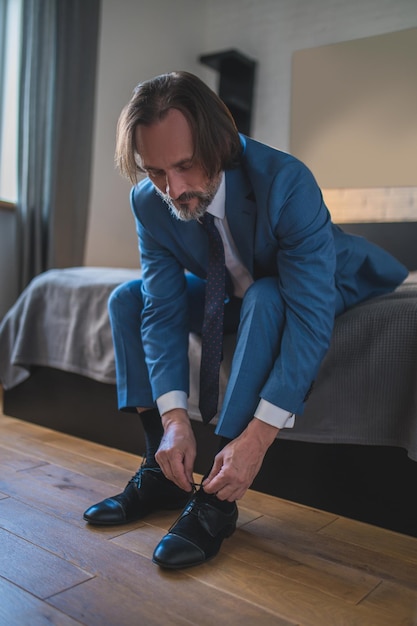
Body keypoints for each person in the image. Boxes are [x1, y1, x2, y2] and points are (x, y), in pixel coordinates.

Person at [83, 71, 408, 569]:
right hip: (236, 286)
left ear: (219, 143)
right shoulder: (150, 203)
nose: (174, 189)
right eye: (155, 172)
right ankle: (160, 471)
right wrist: (174, 419)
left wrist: (257, 439)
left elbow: (308, 315)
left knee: (268, 296)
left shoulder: (285, 181)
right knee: (129, 299)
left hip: (321, 280)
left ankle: (217, 500)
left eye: (186, 166)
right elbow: (163, 307)